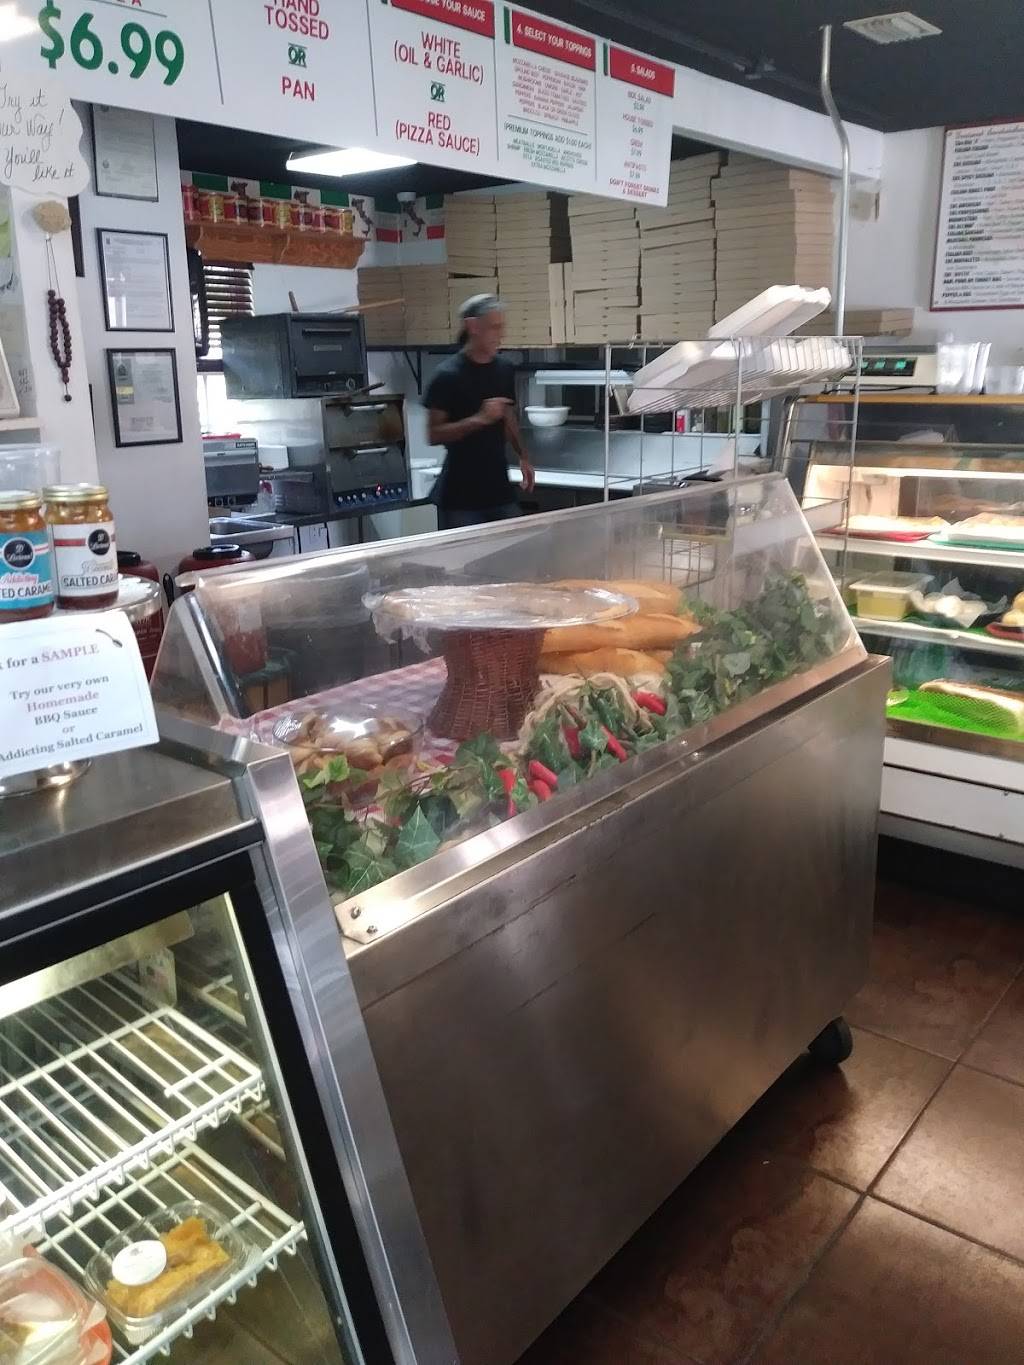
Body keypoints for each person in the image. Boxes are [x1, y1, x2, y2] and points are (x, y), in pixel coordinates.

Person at [423, 294, 535, 530]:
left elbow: (507, 417)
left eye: (502, 327)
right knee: (464, 555)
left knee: (516, 547)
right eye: (494, 327)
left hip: (499, 490)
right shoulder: (447, 375)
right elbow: (434, 434)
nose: (501, 335)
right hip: (460, 498)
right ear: (473, 326)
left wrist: (523, 456)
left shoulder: (504, 369)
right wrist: (479, 419)